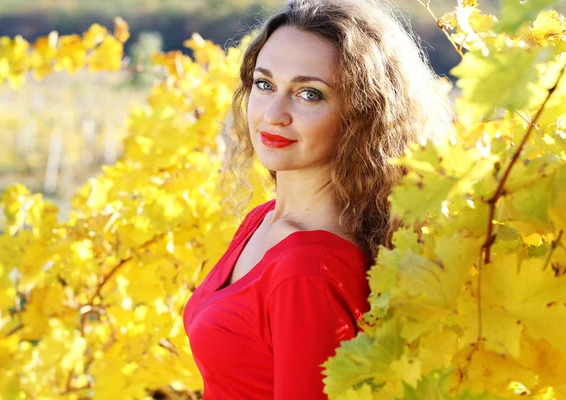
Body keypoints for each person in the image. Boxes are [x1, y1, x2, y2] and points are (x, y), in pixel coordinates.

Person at [182, 0, 453, 398]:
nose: (274, 114)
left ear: (363, 115)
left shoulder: (308, 270)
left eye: (309, 94)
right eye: (264, 84)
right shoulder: (263, 221)